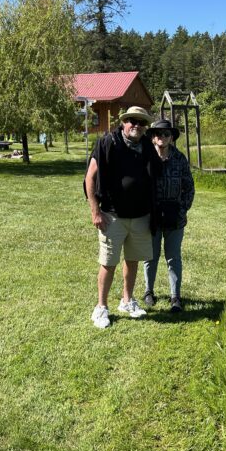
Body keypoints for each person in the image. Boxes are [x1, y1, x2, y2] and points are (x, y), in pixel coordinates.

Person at [85, 106, 162, 329]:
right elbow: (90, 178)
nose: (136, 125)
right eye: (132, 121)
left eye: (141, 122)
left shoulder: (147, 146)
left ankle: (127, 301)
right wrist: (95, 212)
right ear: (123, 122)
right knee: (108, 263)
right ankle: (101, 307)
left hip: (140, 216)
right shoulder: (107, 143)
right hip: (112, 216)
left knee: (133, 260)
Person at [142, 119, 195, 313]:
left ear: (171, 137)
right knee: (150, 256)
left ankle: (175, 297)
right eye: (158, 134)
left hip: (175, 217)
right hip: (152, 216)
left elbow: (189, 187)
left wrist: (182, 210)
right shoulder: (146, 158)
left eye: (166, 134)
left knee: (173, 257)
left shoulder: (180, 159)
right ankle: (149, 291)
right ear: (153, 138)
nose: (161, 137)